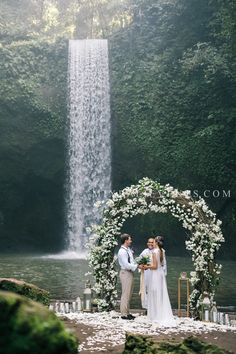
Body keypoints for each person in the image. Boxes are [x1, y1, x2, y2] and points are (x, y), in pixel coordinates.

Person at [143, 236, 175, 325]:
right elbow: (161, 265)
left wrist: (146, 266)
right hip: (161, 274)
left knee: (154, 293)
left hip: (155, 274)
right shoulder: (162, 251)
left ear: (156, 243)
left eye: (153, 242)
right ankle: (160, 314)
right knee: (161, 294)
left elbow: (154, 266)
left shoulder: (154, 252)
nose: (152, 243)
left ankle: (155, 315)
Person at [117, 233, 140, 320]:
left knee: (129, 293)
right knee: (125, 294)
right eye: (130, 239)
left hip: (129, 272)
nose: (131, 241)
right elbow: (126, 265)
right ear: (126, 240)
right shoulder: (122, 251)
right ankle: (123, 314)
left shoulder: (128, 250)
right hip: (125, 272)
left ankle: (127, 312)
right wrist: (137, 266)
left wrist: (137, 264)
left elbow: (132, 261)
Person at [139, 238, 155, 309]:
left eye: (152, 242)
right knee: (145, 289)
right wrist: (141, 266)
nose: (150, 244)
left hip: (154, 273)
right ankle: (146, 307)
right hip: (146, 272)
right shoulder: (145, 251)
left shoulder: (157, 251)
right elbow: (139, 260)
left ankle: (154, 306)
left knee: (153, 289)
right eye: (149, 242)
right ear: (147, 243)